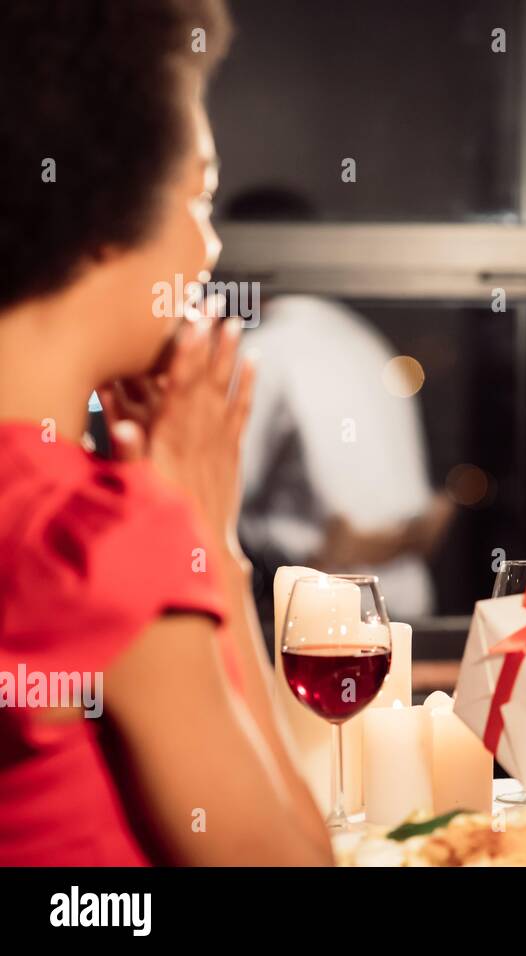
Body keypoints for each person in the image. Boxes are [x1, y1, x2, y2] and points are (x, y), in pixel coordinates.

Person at [0, 0, 332, 865]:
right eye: (201, 196)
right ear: (105, 215)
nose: (209, 247)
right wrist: (204, 541)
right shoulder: (96, 534)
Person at [222, 187, 453, 626]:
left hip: (317, 616)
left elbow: (216, 497)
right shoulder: (365, 340)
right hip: (408, 613)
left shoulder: (260, 352)